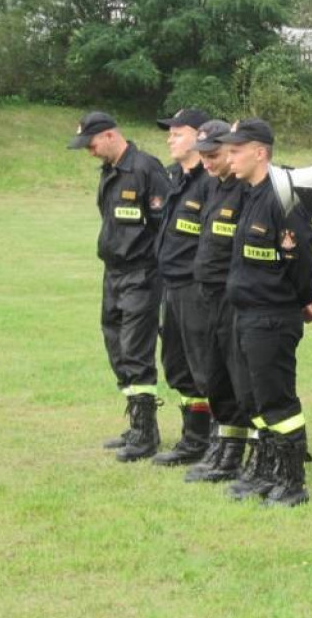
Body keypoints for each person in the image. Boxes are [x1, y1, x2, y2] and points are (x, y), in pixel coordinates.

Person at [221, 118, 312, 507]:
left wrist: (301, 300)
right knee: (254, 401)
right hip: (245, 313)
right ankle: (267, 469)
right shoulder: (249, 194)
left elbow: (301, 261)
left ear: (259, 152)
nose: (229, 159)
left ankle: (292, 479)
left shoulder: (283, 197)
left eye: (235, 150)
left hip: (272, 316)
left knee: (278, 401)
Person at [67, 111, 170, 462]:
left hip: (142, 272)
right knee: (116, 345)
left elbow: (164, 226)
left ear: (110, 135)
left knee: (135, 348)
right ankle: (136, 421)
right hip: (113, 273)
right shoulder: (110, 173)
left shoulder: (146, 169)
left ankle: (146, 434)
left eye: (92, 144)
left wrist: (158, 271)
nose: (89, 151)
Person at [183, 119, 256, 483]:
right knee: (216, 377)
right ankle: (225, 447)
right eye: (203, 156)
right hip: (207, 294)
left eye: (213, 155)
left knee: (241, 377)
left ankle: (247, 452)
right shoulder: (213, 186)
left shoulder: (247, 189)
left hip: (234, 296)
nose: (208, 163)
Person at [150, 108, 216, 467]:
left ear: (200, 135)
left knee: (205, 367)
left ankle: (222, 444)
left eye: (178, 132)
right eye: (169, 132)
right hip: (171, 285)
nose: (170, 138)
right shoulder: (176, 177)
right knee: (178, 367)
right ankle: (194, 438)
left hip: (197, 288)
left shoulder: (211, 181)